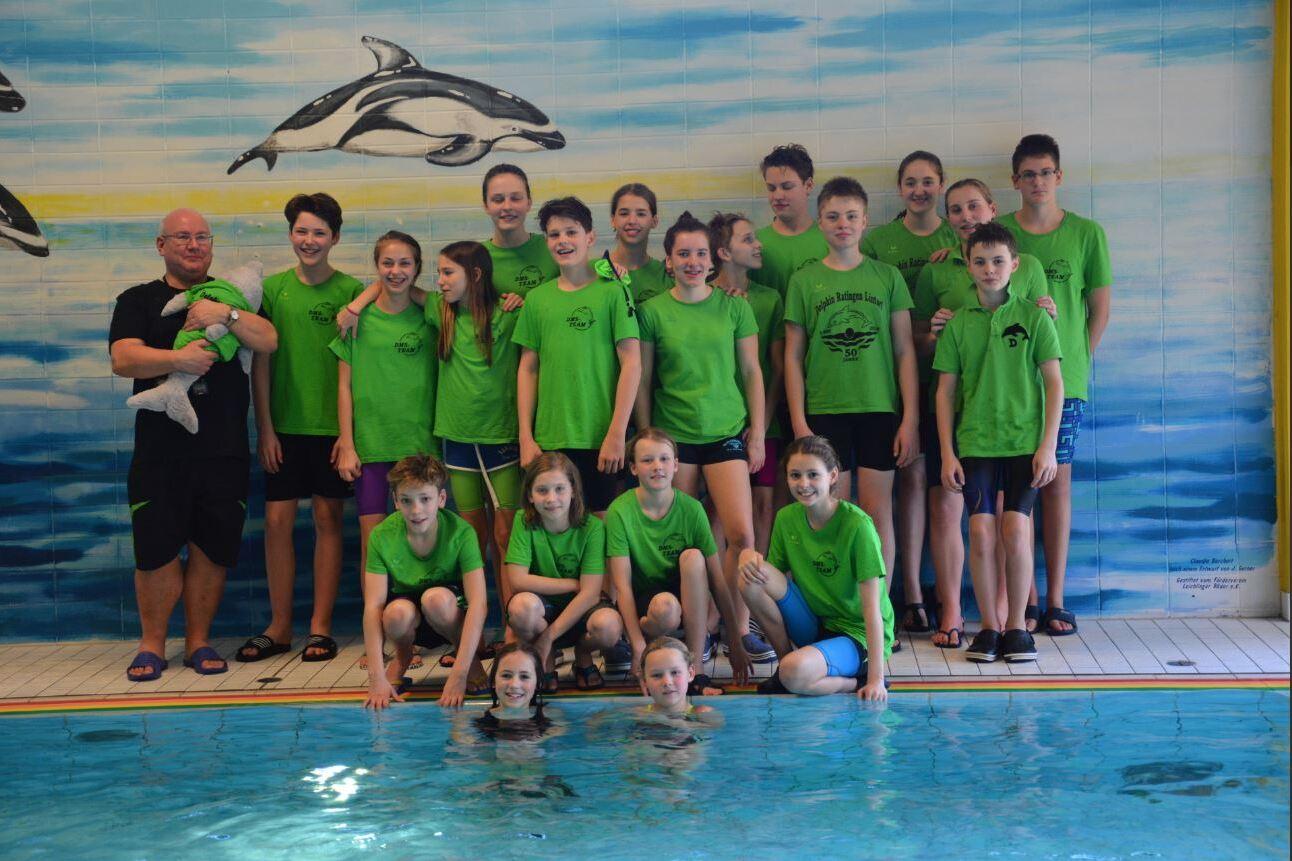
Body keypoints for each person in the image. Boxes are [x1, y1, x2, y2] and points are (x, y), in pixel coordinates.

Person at [109, 208, 278, 681]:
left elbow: (267, 340)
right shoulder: (139, 300)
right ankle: (152, 645)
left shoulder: (229, 296)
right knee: (156, 549)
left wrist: (226, 313)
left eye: (202, 237)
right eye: (182, 237)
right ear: (161, 245)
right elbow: (123, 359)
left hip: (222, 449)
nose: (194, 244)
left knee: (212, 547)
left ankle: (198, 641)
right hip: (160, 451)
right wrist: (176, 357)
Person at [913, 178, 1056, 647]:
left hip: (1024, 441)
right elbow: (943, 393)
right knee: (979, 527)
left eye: (998, 261)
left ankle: (1017, 624)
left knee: (1015, 527)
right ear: (967, 266)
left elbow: (1053, 381)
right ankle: (989, 628)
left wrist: (1047, 446)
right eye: (980, 262)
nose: (990, 269)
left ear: (1015, 265)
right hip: (974, 443)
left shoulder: (1034, 316)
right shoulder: (958, 323)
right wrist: (949, 454)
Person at [635, 212, 763, 672]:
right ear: (668, 260)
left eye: (700, 254)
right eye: (683, 254)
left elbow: (751, 372)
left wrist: (759, 432)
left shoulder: (734, 307)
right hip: (675, 439)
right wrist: (648, 440)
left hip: (726, 433)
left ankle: (737, 628)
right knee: (683, 541)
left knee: (742, 535)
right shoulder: (651, 311)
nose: (692, 261)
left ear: (714, 259)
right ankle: (694, 632)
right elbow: (644, 379)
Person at [240, 193, 362, 664]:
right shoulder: (272, 291)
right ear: (291, 234)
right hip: (284, 428)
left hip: (333, 430)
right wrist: (265, 429)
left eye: (319, 232)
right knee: (276, 523)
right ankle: (280, 625)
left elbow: (355, 367)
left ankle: (321, 627)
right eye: (301, 231)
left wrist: (347, 434)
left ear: (335, 237)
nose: (309, 241)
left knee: (330, 521)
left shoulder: (351, 291)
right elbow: (261, 365)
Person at [999, 133, 1112, 637]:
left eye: (1046, 172)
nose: (1038, 182)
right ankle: (1025, 599)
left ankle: (1056, 599)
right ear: (1015, 180)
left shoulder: (1087, 233)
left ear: (1059, 177)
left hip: (1063, 381)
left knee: (1056, 484)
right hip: (1004, 382)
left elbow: (1099, 308)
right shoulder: (998, 232)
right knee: (1015, 489)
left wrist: (1075, 363)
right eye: (1029, 174)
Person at [783, 176, 919, 591]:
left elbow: (904, 351)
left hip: (879, 410)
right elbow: (791, 356)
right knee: (832, 515)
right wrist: (799, 423)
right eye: (833, 216)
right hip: (825, 412)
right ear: (820, 223)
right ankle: (838, 609)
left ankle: (879, 611)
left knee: (878, 515)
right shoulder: (804, 280)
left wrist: (909, 418)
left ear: (865, 223)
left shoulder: (887, 277)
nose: (843, 223)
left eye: (852, 216)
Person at [859, 151, 958, 636]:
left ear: (941, 186)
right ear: (899, 188)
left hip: (957, 381)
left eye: (929, 182)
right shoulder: (879, 242)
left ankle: (947, 594)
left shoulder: (955, 236)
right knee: (912, 483)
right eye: (911, 182)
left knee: (950, 490)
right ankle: (913, 593)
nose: (920, 190)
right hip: (904, 378)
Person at [737, 436, 893, 700]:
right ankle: (786, 664)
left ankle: (853, 681)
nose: (803, 484)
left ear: (833, 476)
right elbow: (768, 579)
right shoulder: (787, 518)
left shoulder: (858, 526)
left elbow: (872, 609)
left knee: (795, 673)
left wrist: (876, 679)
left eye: (813, 475)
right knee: (750, 577)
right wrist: (746, 556)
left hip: (856, 634)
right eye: (795, 475)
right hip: (814, 623)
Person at [512, 196, 641, 514]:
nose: (563, 241)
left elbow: (632, 363)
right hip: (550, 438)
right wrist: (526, 437)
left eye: (571, 232)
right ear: (547, 242)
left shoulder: (613, 292)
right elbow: (528, 369)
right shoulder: (538, 299)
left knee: (603, 529)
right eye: (554, 235)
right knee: (556, 528)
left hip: (601, 438)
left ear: (590, 237)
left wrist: (616, 432)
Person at [606, 429, 751, 694]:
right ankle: (651, 650)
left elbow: (717, 581)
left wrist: (735, 638)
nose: (657, 466)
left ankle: (696, 673)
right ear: (633, 468)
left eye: (664, 459)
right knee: (665, 608)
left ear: (675, 465)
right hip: (645, 604)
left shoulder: (692, 509)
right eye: (647, 460)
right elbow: (623, 587)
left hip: (686, 599)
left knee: (694, 558)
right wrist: (637, 644)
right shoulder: (620, 511)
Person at [330, 231, 438, 582]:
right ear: (377, 266)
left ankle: (422, 626)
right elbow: (344, 386)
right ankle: (376, 627)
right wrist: (347, 444)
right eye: (387, 263)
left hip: (421, 447)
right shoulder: (356, 322)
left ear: (418, 268)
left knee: (424, 542)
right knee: (374, 544)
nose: (395, 271)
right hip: (372, 446)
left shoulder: (432, 319)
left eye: (405, 263)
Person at [426, 241, 523, 622]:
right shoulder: (441, 313)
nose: (440, 281)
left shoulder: (509, 315)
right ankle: (475, 630)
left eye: (448, 273)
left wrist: (521, 300)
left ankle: (515, 628)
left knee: (506, 537)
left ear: (476, 275)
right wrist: (354, 306)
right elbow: (394, 289)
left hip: (503, 439)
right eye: (439, 273)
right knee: (471, 539)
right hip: (459, 440)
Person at [361, 454, 488, 709]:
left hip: (449, 611)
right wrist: (375, 678)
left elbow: (478, 603)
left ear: (441, 499)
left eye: (425, 499)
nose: (416, 510)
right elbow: (373, 606)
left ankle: (470, 660)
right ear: (395, 501)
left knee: (436, 599)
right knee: (395, 613)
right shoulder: (381, 536)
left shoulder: (461, 533)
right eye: (406, 501)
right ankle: (403, 656)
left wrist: (460, 673)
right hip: (410, 614)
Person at [505, 453, 622, 692]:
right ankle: (545, 660)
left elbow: (589, 595)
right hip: (543, 608)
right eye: (542, 490)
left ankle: (583, 652)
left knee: (609, 627)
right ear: (530, 495)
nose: (552, 499)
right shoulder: (524, 521)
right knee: (521, 607)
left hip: (581, 609)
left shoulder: (593, 527)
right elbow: (517, 580)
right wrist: (571, 584)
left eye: (559, 489)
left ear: (573, 491)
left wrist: (549, 636)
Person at [711, 211, 785, 556]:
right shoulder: (703, 297)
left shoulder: (769, 299)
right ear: (724, 252)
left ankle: (757, 595)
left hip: (763, 425)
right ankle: (716, 598)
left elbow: (775, 369)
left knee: (763, 505)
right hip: (719, 424)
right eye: (748, 239)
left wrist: (760, 426)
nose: (758, 245)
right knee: (715, 510)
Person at [754, 143, 829, 298]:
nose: (778, 196)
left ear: (808, 185)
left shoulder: (830, 239)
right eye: (771, 188)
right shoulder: (754, 243)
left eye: (787, 187)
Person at [481, 163, 559, 298]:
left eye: (515, 198)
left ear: (528, 203)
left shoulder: (553, 247)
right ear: (486, 206)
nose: (507, 206)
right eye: (498, 200)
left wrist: (529, 305)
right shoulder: (476, 258)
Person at [608, 182, 672, 303]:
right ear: (613, 220)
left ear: (654, 221)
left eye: (641, 214)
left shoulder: (666, 275)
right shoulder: (594, 272)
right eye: (624, 213)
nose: (632, 220)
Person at [636, 637, 721, 723]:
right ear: (644, 681)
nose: (667, 682)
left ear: (690, 674)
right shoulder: (640, 715)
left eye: (675, 672)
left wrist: (671, 722)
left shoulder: (705, 715)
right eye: (657, 675)